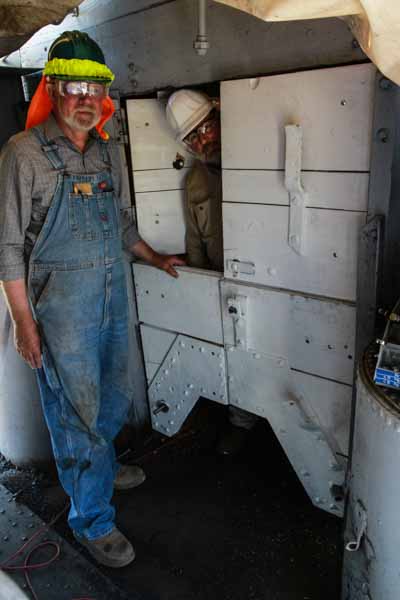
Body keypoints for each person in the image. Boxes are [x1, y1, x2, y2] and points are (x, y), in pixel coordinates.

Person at [0, 31, 185, 568]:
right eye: (74, 85)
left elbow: (122, 223)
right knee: (75, 412)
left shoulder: (106, 152)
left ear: (104, 95)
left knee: (110, 397)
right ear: (53, 88)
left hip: (109, 301)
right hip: (61, 314)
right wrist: (24, 322)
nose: (85, 98)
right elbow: (7, 246)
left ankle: (98, 468)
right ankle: (91, 518)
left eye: (95, 86)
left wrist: (152, 257)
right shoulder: (24, 154)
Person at [166, 89, 258, 455]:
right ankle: (241, 422)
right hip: (221, 279)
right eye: (193, 136)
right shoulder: (194, 181)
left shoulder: (256, 160)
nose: (205, 140)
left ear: (220, 117)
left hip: (266, 275)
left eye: (206, 127)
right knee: (233, 351)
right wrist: (200, 289)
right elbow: (194, 242)